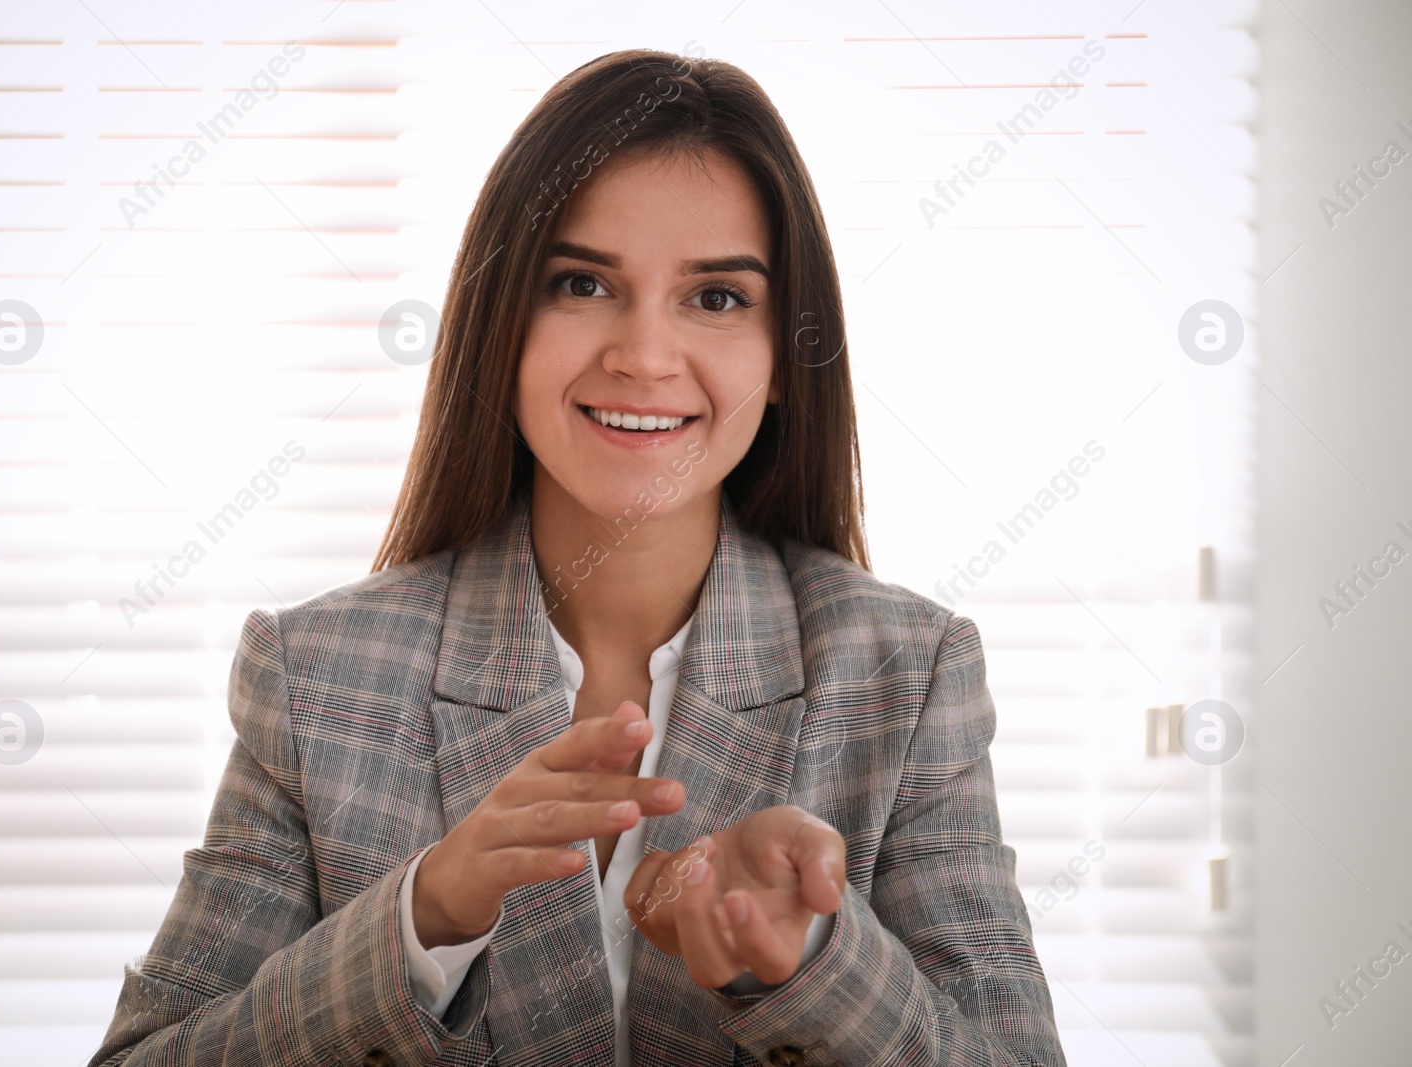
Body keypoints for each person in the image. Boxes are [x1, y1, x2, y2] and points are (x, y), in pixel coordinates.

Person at [89, 47, 1065, 1067]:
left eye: (718, 297)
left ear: (784, 357)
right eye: (583, 282)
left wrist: (814, 959)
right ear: (499, 322)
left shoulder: (907, 671)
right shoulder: (315, 672)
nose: (643, 355)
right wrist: (424, 917)